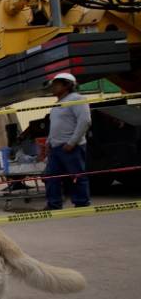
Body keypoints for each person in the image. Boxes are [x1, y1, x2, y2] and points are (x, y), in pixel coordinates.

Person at [41, 72, 91, 210]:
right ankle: (54, 204)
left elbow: (85, 121)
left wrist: (72, 142)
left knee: (77, 176)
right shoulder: (57, 105)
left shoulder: (77, 99)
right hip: (56, 148)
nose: (53, 88)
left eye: (56, 85)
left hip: (71, 147)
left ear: (67, 85)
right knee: (51, 177)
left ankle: (82, 203)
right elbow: (55, 126)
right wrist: (48, 143)